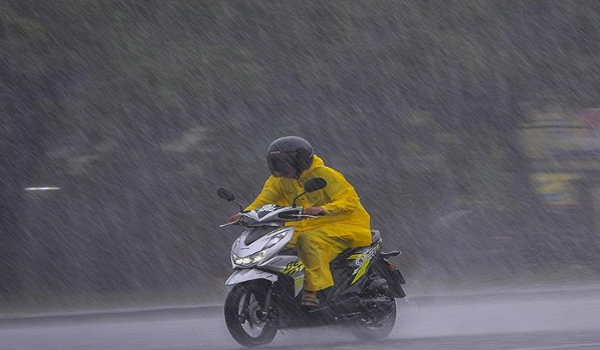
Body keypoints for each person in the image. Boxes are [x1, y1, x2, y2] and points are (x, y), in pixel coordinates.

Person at [229, 136, 372, 307]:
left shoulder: (326, 175)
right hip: (304, 226)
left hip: (342, 226)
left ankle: (313, 290)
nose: (281, 168)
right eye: (277, 164)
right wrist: (246, 214)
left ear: (301, 160)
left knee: (309, 241)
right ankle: (284, 288)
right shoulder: (278, 180)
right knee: (274, 244)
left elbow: (349, 200)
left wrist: (323, 209)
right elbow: (264, 200)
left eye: (284, 163)